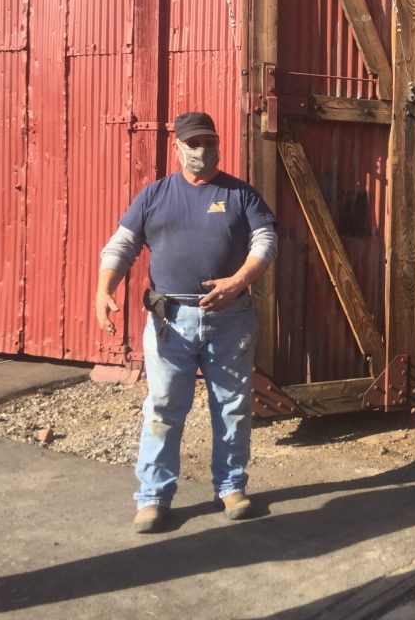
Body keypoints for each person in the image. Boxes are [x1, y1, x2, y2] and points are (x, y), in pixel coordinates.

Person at [95, 112, 277, 534]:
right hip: (169, 321)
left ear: (218, 143)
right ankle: (154, 497)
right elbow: (122, 245)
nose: (201, 151)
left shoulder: (241, 195)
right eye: (192, 144)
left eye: (208, 142)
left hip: (230, 318)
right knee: (162, 407)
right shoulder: (155, 195)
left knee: (232, 407)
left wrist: (238, 281)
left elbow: (266, 242)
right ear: (177, 148)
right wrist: (104, 290)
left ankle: (231, 487)